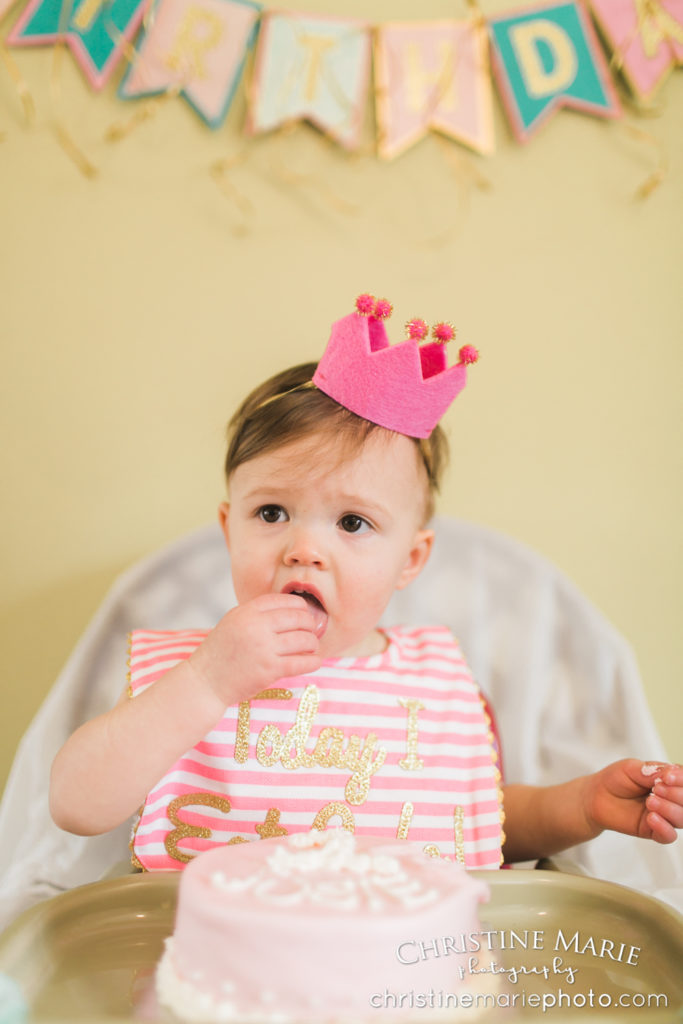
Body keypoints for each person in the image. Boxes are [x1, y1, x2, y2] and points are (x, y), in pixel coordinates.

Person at [48, 294, 683, 871]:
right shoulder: (189, 676)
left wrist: (584, 806)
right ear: (228, 528)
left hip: (401, 975)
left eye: (352, 522)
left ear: (411, 558)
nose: (304, 550)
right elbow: (76, 805)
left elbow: (478, 823)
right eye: (271, 513)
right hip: (212, 972)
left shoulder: (433, 684)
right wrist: (209, 680)